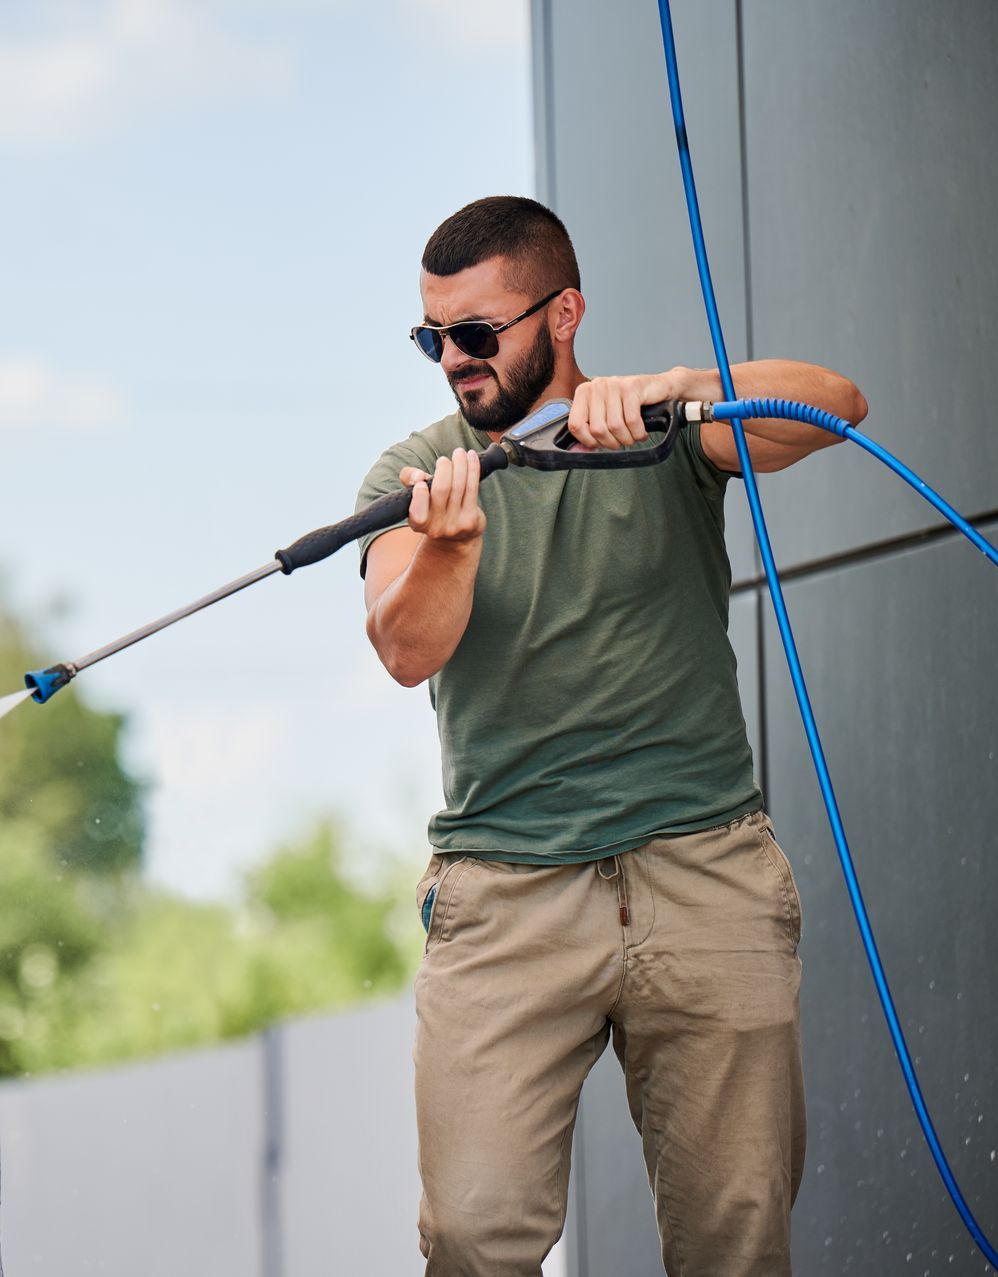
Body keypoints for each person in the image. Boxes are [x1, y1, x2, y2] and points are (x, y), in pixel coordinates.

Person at [358, 195, 867, 1276]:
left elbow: (837, 407)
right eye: (432, 337)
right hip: (505, 899)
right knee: (469, 1232)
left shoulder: (670, 432)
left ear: (565, 312)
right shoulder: (413, 475)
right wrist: (448, 548)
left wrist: (680, 389)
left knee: (738, 1231)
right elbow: (405, 647)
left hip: (704, 872)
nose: (453, 359)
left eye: (477, 334)